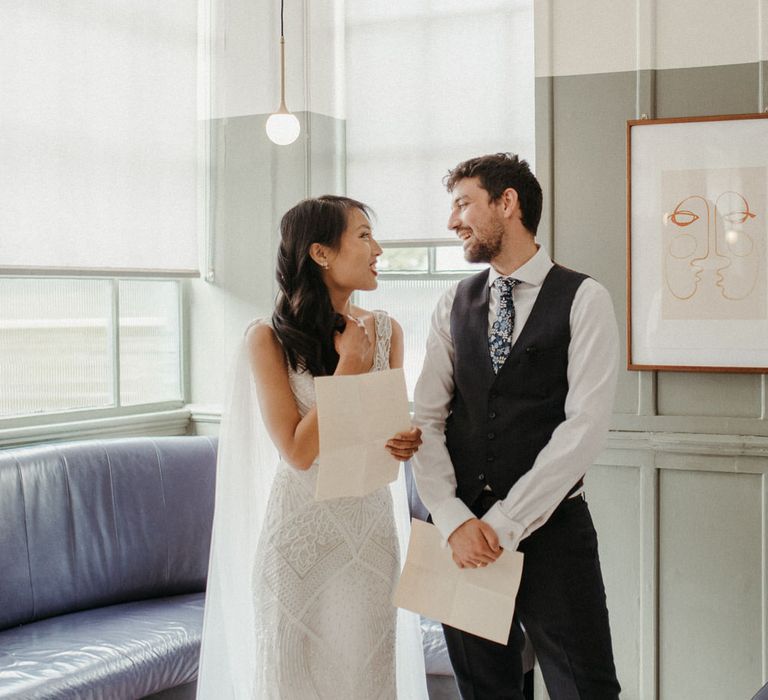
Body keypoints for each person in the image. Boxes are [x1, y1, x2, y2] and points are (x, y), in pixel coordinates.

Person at [197, 195, 428, 700]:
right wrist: (347, 368)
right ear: (321, 253)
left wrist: (405, 439)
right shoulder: (267, 339)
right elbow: (298, 452)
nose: (379, 249)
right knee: (289, 684)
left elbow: (381, 431)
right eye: (364, 236)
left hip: (368, 538)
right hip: (299, 541)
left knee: (366, 682)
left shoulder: (388, 331)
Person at [411, 153, 621, 699]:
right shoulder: (451, 302)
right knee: (485, 690)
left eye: (463, 204)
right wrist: (456, 520)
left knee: (587, 688)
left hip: (553, 536)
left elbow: (585, 428)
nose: (453, 221)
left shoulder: (585, 299)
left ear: (508, 203)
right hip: (460, 534)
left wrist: (504, 525)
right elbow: (427, 419)